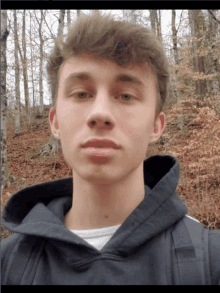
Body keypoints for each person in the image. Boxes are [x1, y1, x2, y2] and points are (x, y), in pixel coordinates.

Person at [1, 11, 220, 285]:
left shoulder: (210, 262)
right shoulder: (7, 267)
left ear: (156, 125)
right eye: (82, 93)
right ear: (55, 122)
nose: (100, 113)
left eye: (125, 95)